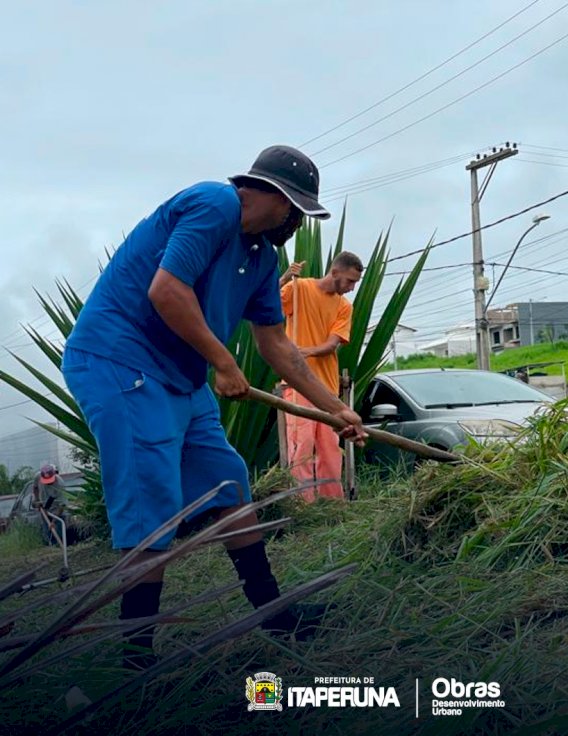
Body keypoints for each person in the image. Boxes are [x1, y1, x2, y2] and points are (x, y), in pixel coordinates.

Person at [61, 144, 366, 669]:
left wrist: (335, 408)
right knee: (150, 499)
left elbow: (277, 345)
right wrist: (225, 364)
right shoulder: (213, 204)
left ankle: (274, 614)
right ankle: (135, 656)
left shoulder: (261, 259)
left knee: (227, 478)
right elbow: (167, 290)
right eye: (295, 210)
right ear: (271, 195)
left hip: (180, 373)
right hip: (119, 362)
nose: (295, 223)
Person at [278, 252, 363, 501]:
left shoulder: (344, 306)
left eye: (354, 283)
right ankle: (303, 506)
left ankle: (332, 505)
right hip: (296, 385)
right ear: (334, 272)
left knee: (329, 449)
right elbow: (266, 304)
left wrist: (302, 352)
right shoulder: (299, 288)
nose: (351, 288)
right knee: (301, 446)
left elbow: (331, 345)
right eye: (349, 281)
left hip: (326, 386)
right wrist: (283, 279)